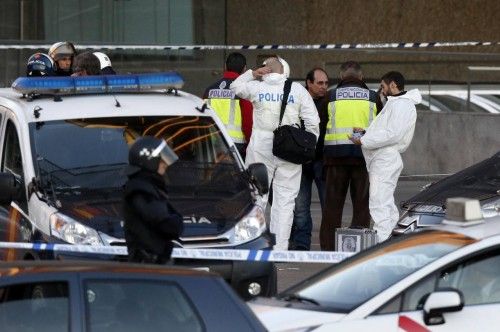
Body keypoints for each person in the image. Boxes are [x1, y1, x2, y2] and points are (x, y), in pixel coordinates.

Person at [230, 56, 320, 250]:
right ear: (285, 70)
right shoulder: (297, 90)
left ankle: (250, 245)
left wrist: (252, 74)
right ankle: (279, 249)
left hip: (260, 147)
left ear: (264, 70)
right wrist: (305, 144)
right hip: (290, 147)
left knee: (255, 198)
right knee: (285, 201)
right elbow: (313, 122)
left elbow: (235, 87)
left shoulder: (257, 87)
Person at [349, 71, 420, 242]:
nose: (381, 89)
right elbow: (388, 131)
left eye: (383, 86)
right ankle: (392, 242)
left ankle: (381, 245)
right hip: (384, 158)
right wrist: (366, 133)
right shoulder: (396, 103)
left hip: (385, 158)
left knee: (379, 203)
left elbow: (393, 134)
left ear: (393, 85)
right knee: (385, 203)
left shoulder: (402, 105)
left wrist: (364, 140)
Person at [320, 61, 378, 251]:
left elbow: (320, 127)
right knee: (362, 207)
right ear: (361, 77)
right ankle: (359, 249)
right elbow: (380, 128)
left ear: (341, 76)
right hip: (364, 159)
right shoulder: (373, 97)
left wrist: (320, 157)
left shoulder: (330, 96)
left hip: (335, 159)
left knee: (332, 208)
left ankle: (329, 250)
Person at [123, 136, 184, 264]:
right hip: (146, 265)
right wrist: (176, 221)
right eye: (161, 160)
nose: (165, 164)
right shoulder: (141, 190)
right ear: (150, 162)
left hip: (154, 263)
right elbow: (164, 222)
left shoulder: (149, 186)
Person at [289, 68, 329, 250]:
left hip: (322, 161)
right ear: (309, 83)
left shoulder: (329, 102)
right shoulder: (297, 101)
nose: (324, 87)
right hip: (302, 161)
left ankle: (329, 245)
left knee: (329, 206)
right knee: (301, 208)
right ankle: (301, 245)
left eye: (326, 83)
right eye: (320, 83)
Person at [203, 52, 252, 160]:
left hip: (211, 143)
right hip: (235, 144)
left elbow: (201, 115)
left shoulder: (209, 90)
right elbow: (248, 123)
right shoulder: (242, 91)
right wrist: (250, 144)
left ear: (225, 66)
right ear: (244, 69)